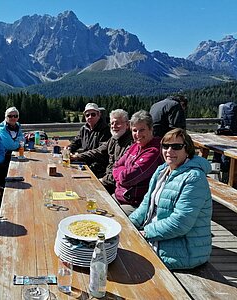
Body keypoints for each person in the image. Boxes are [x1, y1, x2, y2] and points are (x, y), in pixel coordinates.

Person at [129, 128, 212, 270]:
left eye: (177, 146)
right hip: (159, 237)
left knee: (126, 264)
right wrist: (128, 225)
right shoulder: (162, 170)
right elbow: (146, 204)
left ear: (187, 150)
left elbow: (180, 223)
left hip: (183, 250)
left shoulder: (194, 178)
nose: (169, 151)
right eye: (166, 146)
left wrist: (145, 233)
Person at [112, 110, 163, 215]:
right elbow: (116, 165)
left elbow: (127, 178)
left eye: (142, 130)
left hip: (136, 204)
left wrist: (121, 174)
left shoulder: (154, 151)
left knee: (109, 217)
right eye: (134, 130)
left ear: (151, 129)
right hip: (119, 196)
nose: (138, 134)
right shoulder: (135, 146)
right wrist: (122, 173)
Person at [70, 109, 133, 185]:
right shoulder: (113, 139)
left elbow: (121, 170)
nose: (114, 126)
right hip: (106, 176)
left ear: (127, 125)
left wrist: (102, 180)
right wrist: (77, 156)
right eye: (112, 123)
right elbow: (98, 151)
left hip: (115, 183)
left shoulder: (130, 144)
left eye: (117, 123)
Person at [67, 103, 111, 174]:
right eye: (87, 115)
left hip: (99, 166)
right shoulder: (84, 129)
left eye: (93, 114)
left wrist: (78, 156)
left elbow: (101, 151)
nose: (90, 117)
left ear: (99, 115)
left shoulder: (105, 130)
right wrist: (69, 149)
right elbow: (77, 142)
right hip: (85, 161)